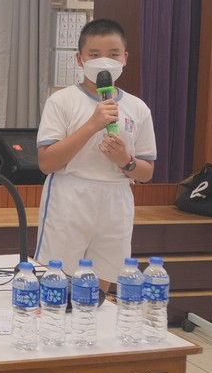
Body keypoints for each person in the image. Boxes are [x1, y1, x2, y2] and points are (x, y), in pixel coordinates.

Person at [35, 18, 156, 287]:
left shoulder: (138, 108)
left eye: (113, 54)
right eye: (94, 54)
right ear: (80, 59)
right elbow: (46, 163)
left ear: (125, 58)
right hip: (70, 197)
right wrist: (92, 125)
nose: (104, 62)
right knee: (56, 282)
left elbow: (147, 172)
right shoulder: (61, 101)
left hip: (116, 200)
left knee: (101, 286)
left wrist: (125, 161)